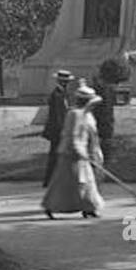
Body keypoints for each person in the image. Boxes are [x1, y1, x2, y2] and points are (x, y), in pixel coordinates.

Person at [42, 84, 105, 219]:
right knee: (64, 182)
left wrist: (94, 151)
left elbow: (92, 135)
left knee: (87, 181)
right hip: (70, 154)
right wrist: (78, 150)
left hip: (84, 153)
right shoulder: (74, 114)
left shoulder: (88, 115)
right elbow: (72, 135)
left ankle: (89, 207)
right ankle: (51, 206)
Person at [41, 71, 71, 187]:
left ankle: (54, 179)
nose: (67, 84)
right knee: (54, 155)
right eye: (65, 82)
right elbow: (58, 115)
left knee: (57, 155)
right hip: (57, 130)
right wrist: (62, 130)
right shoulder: (57, 95)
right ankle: (49, 180)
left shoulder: (63, 93)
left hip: (59, 129)